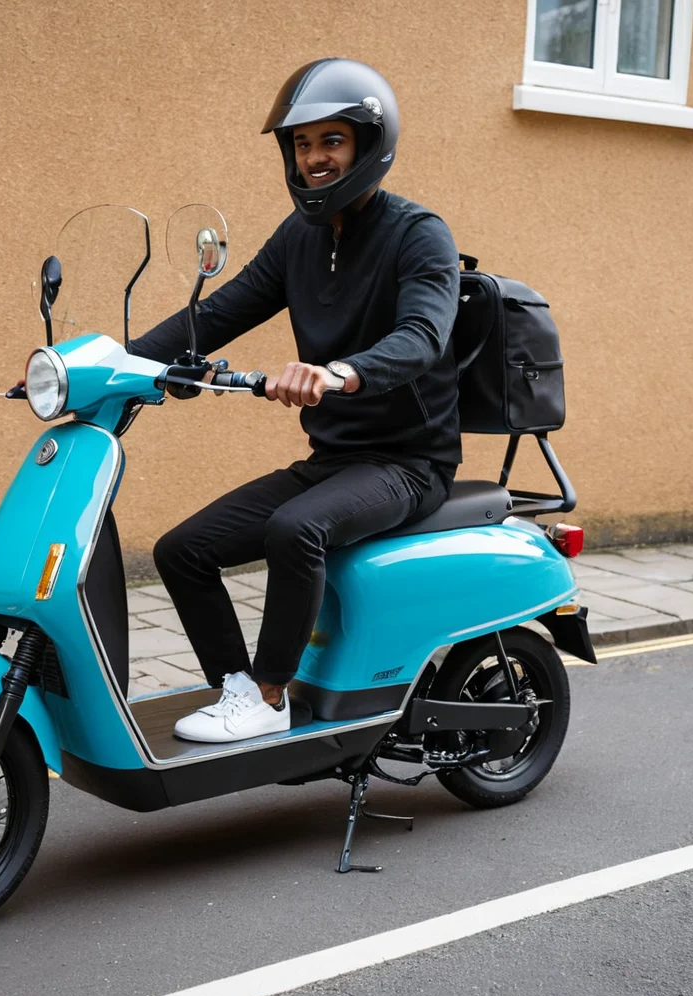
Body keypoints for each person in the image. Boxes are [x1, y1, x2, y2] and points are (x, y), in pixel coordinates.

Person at [128, 58, 461, 743]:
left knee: (294, 529)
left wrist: (339, 372)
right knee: (182, 549)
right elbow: (216, 315)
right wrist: (103, 361)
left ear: (367, 146)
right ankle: (239, 689)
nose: (314, 159)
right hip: (333, 459)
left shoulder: (419, 233)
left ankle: (273, 693)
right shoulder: (300, 237)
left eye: (331, 142)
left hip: (407, 464)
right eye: (302, 144)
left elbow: (422, 337)